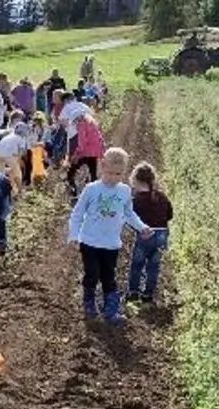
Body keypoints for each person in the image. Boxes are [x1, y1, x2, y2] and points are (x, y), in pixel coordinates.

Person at [68, 147, 152, 323]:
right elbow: (77, 213)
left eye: (118, 174)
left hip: (111, 243)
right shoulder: (92, 189)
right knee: (91, 273)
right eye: (110, 173)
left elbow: (129, 214)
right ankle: (89, 303)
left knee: (109, 276)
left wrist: (142, 227)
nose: (113, 178)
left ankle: (111, 310)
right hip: (89, 241)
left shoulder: (124, 191)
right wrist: (74, 235)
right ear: (102, 166)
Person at [126, 162, 174, 304]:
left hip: (145, 235)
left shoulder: (136, 200)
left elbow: (131, 220)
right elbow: (170, 215)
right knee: (153, 267)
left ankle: (134, 293)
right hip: (162, 235)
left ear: (135, 180)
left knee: (137, 265)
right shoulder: (162, 197)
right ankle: (148, 295)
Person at [67, 113, 105, 199]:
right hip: (95, 151)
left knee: (71, 173)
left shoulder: (81, 124)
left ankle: (74, 193)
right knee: (93, 174)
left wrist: (76, 154)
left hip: (85, 152)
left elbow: (82, 142)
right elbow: (100, 138)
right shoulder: (92, 123)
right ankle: (95, 195)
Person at [0, 120, 31, 192]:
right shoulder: (21, 138)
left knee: (1, 173)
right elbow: (20, 153)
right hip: (9, 155)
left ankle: (3, 189)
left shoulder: (9, 136)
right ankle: (20, 190)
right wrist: (18, 161)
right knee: (17, 172)